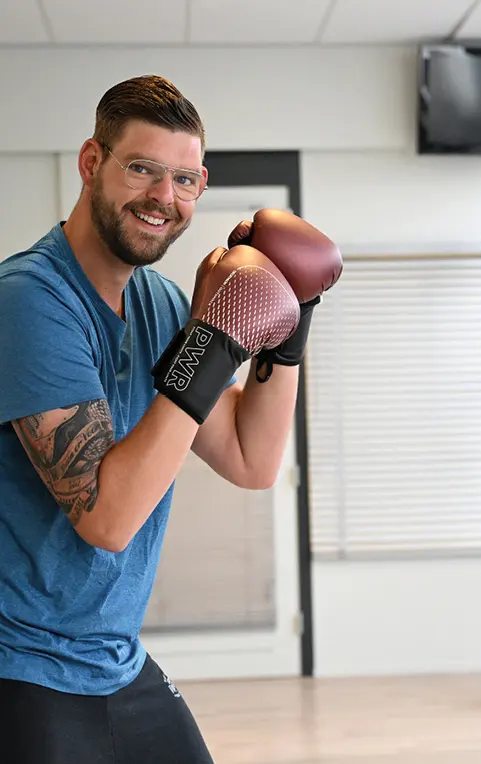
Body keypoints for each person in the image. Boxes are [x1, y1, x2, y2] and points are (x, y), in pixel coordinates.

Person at [0, 75, 335, 763]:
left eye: (184, 179)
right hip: (22, 666)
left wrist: (291, 328)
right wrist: (212, 346)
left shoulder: (159, 302)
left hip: (116, 660)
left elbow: (252, 460)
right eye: (143, 170)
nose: (163, 197)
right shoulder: (30, 303)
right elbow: (107, 519)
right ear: (93, 163)